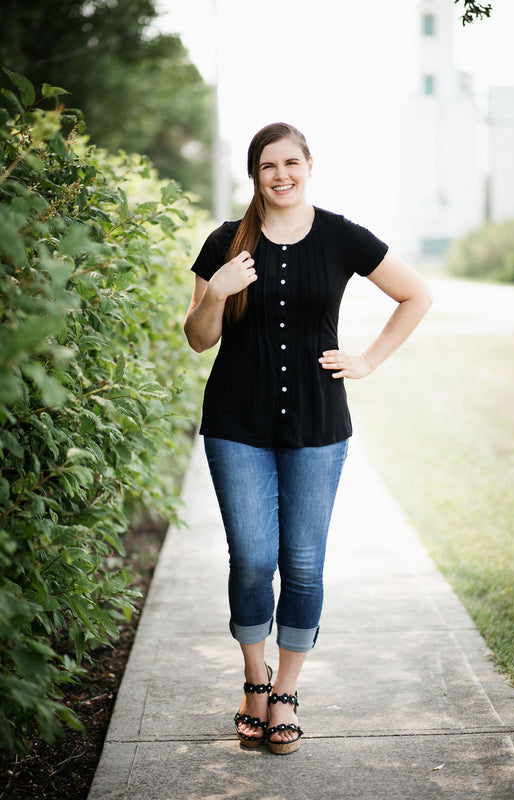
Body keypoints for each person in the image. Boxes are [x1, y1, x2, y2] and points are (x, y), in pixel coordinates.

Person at [184, 122, 432, 755]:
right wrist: (215, 292)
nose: (281, 174)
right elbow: (197, 336)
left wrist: (370, 359)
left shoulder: (342, 236)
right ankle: (252, 680)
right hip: (237, 425)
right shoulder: (225, 242)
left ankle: (287, 692)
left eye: (290, 162)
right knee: (254, 559)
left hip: (319, 427)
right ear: (255, 176)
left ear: (309, 165)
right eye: (268, 166)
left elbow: (414, 294)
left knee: (302, 564)